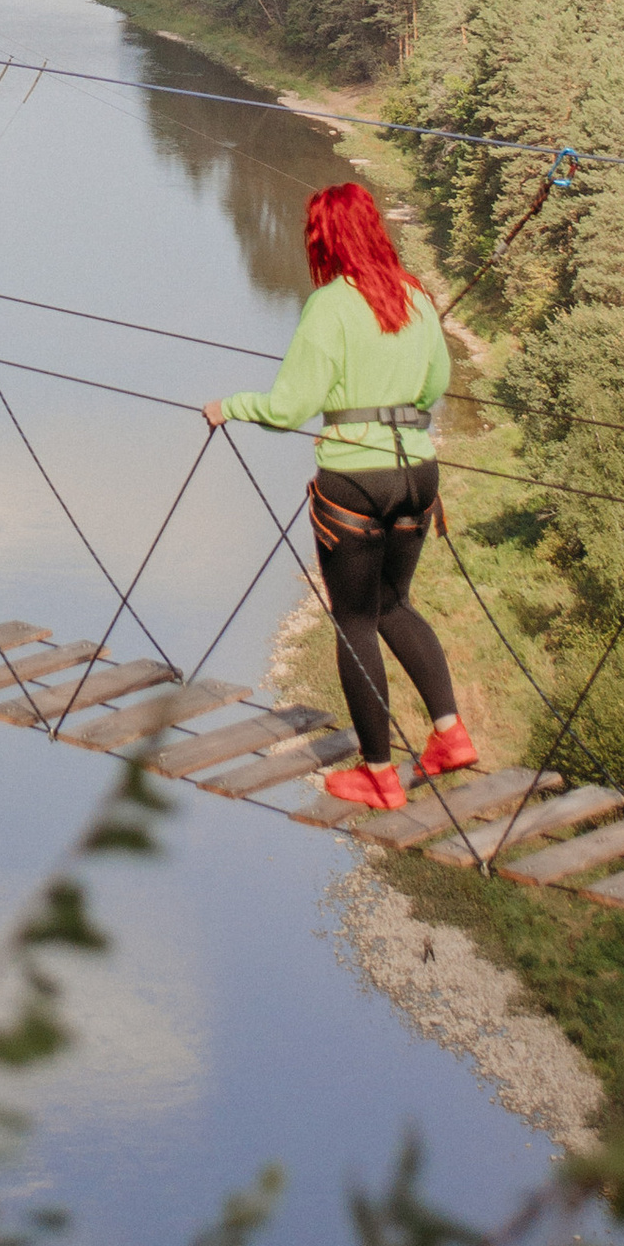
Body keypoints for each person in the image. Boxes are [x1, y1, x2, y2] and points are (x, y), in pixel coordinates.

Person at [203, 180, 472, 813]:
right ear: (375, 227)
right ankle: (450, 735)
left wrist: (229, 407)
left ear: (322, 239)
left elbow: (290, 406)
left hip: (354, 482)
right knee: (393, 605)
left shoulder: (329, 305)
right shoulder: (417, 297)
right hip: (419, 476)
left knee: (353, 623)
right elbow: (436, 386)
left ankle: (378, 776)